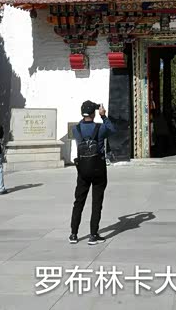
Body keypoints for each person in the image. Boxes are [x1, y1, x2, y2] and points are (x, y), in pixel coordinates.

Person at [69, 100, 114, 245]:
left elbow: (82, 123)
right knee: (96, 202)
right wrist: (103, 115)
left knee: (78, 201)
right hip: (98, 168)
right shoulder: (100, 128)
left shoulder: (76, 129)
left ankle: (73, 234)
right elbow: (112, 129)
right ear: (93, 114)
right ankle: (93, 235)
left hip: (82, 169)